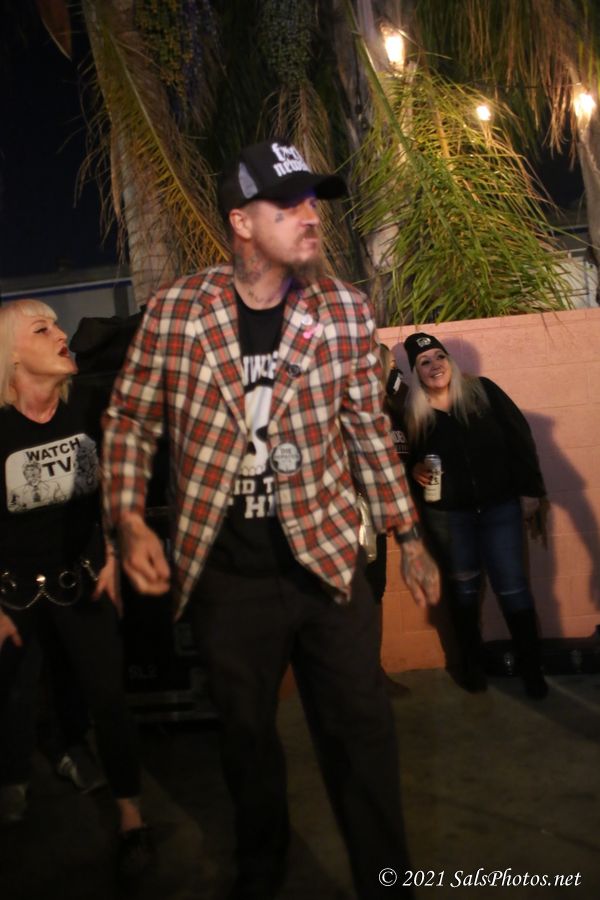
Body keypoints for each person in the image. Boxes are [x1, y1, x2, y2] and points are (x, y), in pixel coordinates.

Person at [102, 139, 440, 900]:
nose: (310, 216)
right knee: (248, 745)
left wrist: (409, 535)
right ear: (242, 222)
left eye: (313, 201)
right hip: (227, 577)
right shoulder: (178, 313)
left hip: (328, 565)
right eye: (288, 204)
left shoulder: (344, 310)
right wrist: (128, 518)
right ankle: (263, 876)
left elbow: (366, 430)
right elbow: (128, 418)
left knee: (364, 738)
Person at [0, 299, 152, 878]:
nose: (61, 333)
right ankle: (15, 776)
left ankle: (131, 816)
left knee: (106, 698)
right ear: (11, 357)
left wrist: (110, 548)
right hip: (12, 592)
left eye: (56, 324)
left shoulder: (88, 408)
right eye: (42, 329)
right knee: (14, 694)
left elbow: (115, 489)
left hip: (82, 580)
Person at [402, 331, 548, 699]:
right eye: (424, 362)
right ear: (416, 373)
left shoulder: (483, 391)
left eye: (439, 357)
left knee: (513, 587)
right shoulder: (413, 413)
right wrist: (413, 469)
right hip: (448, 516)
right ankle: (471, 668)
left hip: (500, 508)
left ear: (449, 360)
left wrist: (531, 491)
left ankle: (533, 672)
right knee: (463, 589)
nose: (434, 365)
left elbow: (520, 438)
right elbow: (405, 460)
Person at [365, 344, 411, 698]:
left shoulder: (393, 408)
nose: (397, 372)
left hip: (379, 515)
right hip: (356, 515)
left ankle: (371, 672)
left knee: (374, 590)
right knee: (360, 593)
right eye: (392, 365)